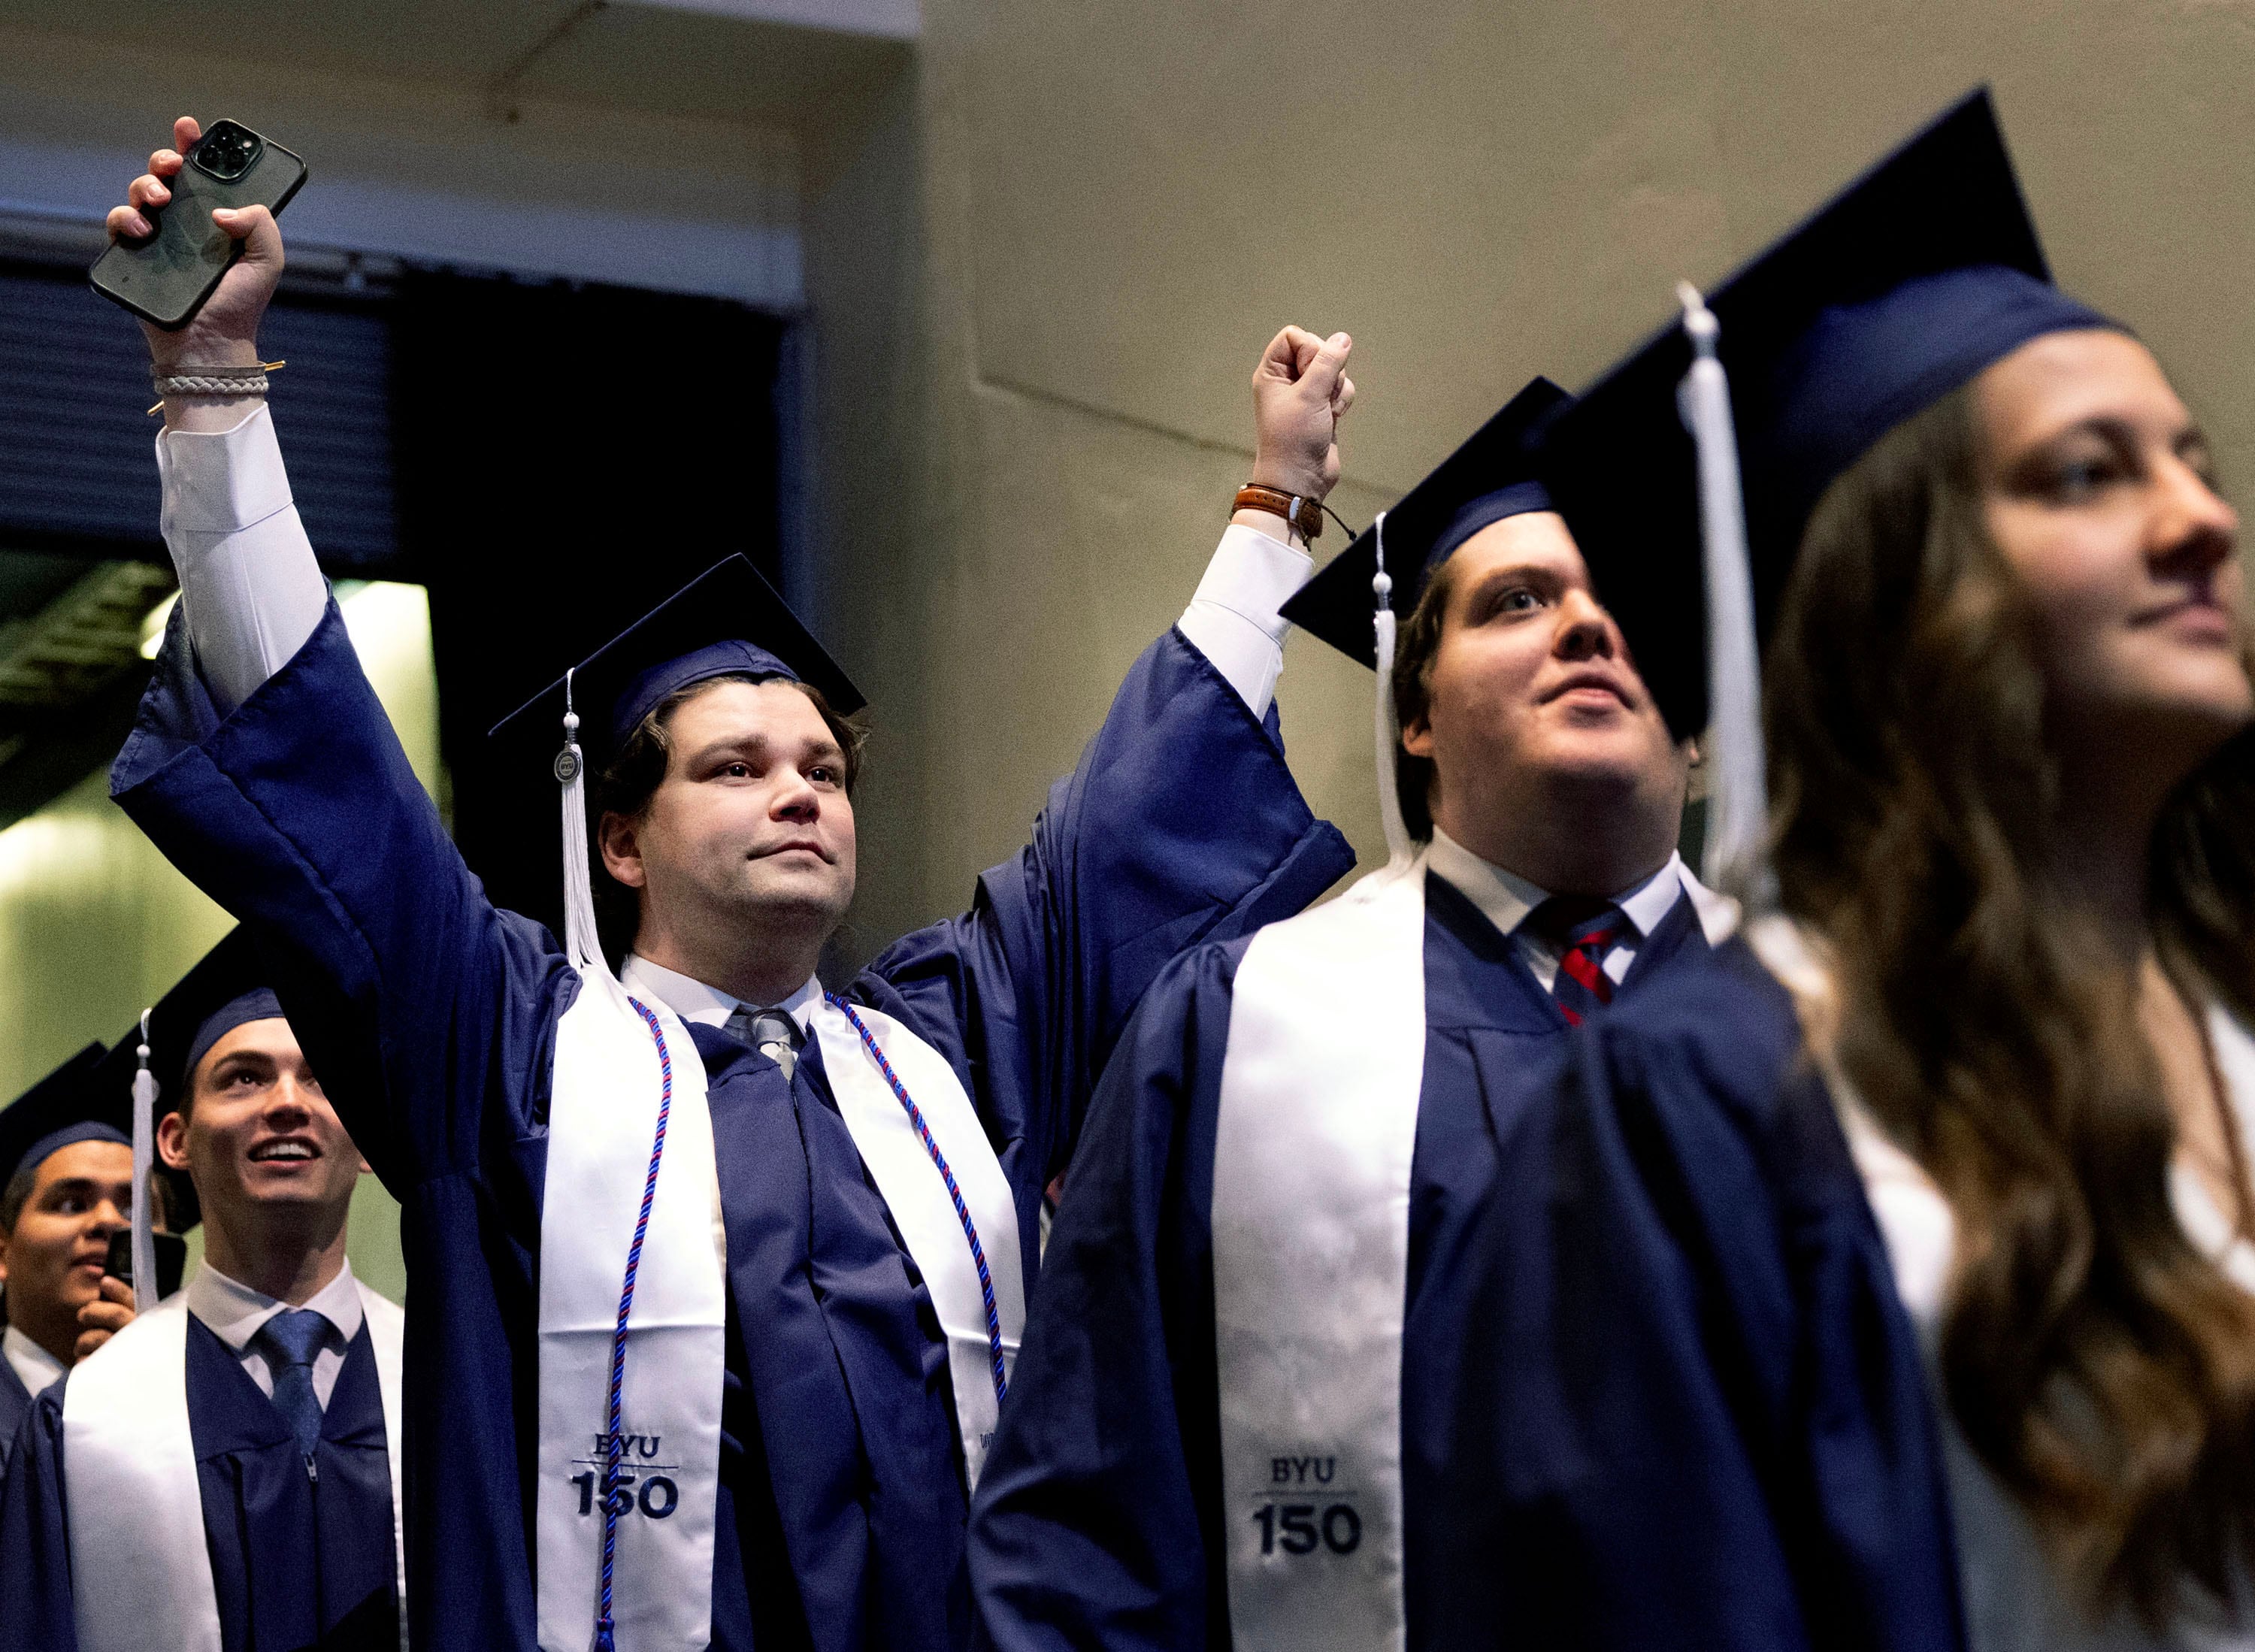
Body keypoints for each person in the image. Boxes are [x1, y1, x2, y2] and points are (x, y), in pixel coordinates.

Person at [100, 117, 1357, 1652]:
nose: (798, 789)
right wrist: (214, 389)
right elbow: (334, 770)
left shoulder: (948, 1041)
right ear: (619, 841)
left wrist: (1272, 510)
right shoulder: (509, 1052)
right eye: (737, 764)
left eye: (823, 769)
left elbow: (1130, 822)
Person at [1527, 86, 2255, 1648]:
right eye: (2088, 473)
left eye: (2196, 462)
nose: (2202, 520)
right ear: (1898, 592)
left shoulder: (2233, 999)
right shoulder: (1711, 1101)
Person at [968, 377, 1751, 1650]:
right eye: (1516, 600)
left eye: (1627, 601)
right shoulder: (1238, 1023)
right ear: (1418, 714)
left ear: (1702, 730)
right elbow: (1086, 1528)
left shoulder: (1856, 1029)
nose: (1588, 628)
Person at [0, 930, 405, 1652]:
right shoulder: (82, 1421)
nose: (287, 1102)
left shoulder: (452, 1389)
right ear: (174, 1141)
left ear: (368, 1138)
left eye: (320, 1077)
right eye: (244, 1077)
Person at [0, 1047, 138, 1467]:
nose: (109, 1221)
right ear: (2, 1250)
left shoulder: (206, 1402)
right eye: (70, 1204)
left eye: (136, 1209)